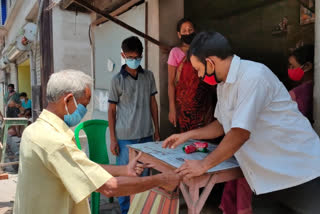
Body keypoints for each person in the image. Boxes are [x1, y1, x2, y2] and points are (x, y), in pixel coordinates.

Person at [163, 31, 320, 214]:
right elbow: (222, 125)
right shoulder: (223, 86)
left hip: (299, 172)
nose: (198, 76)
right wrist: (186, 135)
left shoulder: (254, 76)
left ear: (210, 62)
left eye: (198, 69)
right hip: (265, 180)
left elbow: (239, 133)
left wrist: (203, 165)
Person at [14, 70, 180, 214]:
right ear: (68, 100)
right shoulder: (54, 141)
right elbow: (110, 187)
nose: (83, 112)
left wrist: (124, 169)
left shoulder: (34, 130)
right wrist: (162, 180)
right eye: (83, 105)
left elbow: (82, 167)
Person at [108, 36, 160, 214]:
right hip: (124, 139)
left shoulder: (149, 76)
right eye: (129, 57)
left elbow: (153, 104)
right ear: (123, 55)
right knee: (125, 178)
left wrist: (157, 131)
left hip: (146, 134)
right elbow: (111, 111)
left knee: (143, 179)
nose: (133, 60)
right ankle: (126, 211)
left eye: (136, 56)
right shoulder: (116, 80)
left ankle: (142, 210)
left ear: (141, 56)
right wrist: (113, 139)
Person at [167, 18, 215, 132]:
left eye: (190, 30)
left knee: (207, 135)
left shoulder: (203, 51)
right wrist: (172, 109)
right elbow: (170, 83)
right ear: (179, 34)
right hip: (184, 107)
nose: (188, 33)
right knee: (188, 140)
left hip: (204, 103)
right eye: (184, 31)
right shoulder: (175, 52)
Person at [288, 45, 314, 123]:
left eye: (293, 66)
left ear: (307, 66)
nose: (290, 70)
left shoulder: (296, 93)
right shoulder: (313, 87)